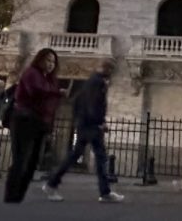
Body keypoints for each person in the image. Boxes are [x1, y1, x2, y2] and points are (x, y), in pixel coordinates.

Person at [42, 59, 124, 203]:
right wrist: (99, 122)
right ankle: (105, 192)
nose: (111, 74)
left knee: (75, 155)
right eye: (111, 70)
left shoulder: (89, 81)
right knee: (100, 158)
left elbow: (77, 101)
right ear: (107, 69)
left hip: (84, 124)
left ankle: (52, 183)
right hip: (92, 126)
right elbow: (95, 105)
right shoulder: (98, 82)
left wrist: (79, 120)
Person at [3, 48, 64, 204]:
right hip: (24, 120)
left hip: (40, 123)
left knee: (32, 162)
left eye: (53, 62)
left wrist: (49, 126)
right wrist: (56, 93)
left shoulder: (50, 79)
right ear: (40, 59)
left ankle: (18, 196)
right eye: (48, 60)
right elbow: (35, 92)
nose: (51, 64)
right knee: (21, 159)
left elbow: (51, 106)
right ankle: (11, 197)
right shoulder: (31, 73)